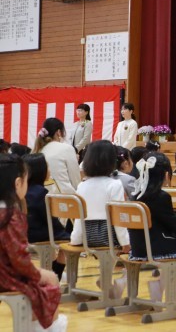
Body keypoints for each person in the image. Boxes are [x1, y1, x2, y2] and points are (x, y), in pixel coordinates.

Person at [0, 154, 68, 332]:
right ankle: (48, 327)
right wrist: (36, 274)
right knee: (50, 278)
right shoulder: (11, 216)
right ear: (18, 184)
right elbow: (19, 259)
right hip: (5, 276)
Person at [129, 152, 176, 305]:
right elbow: (174, 224)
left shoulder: (136, 194)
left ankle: (160, 286)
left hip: (137, 249)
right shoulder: (161, 197)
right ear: (166, 175)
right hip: (155, 248)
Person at [69, 140, 130, 297]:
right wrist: (125, 242)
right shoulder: (114, 185)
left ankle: (107, 281)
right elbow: (118, 218)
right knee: (126, 242)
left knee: (110, 247)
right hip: (108, 236)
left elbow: (79, 217)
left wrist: (75, 239)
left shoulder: (82, 185)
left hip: (87, 235)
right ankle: (107, 280)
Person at [23, 154, 69, 279]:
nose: (49, 170)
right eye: (47, 167)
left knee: (54, 245)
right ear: (41, 171)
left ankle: (51, 273)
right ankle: (56, 276)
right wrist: (64, 233)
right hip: (38, 234)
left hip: (25, 231)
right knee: (67, 243)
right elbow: (50, 220)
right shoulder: (41, 193)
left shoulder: (24, 189)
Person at [33, 118, 81, 195]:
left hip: (42, 197)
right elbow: (76, 182)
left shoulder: (38, 150)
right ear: (58, 132)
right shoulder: (67, 148)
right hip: (66, 198)